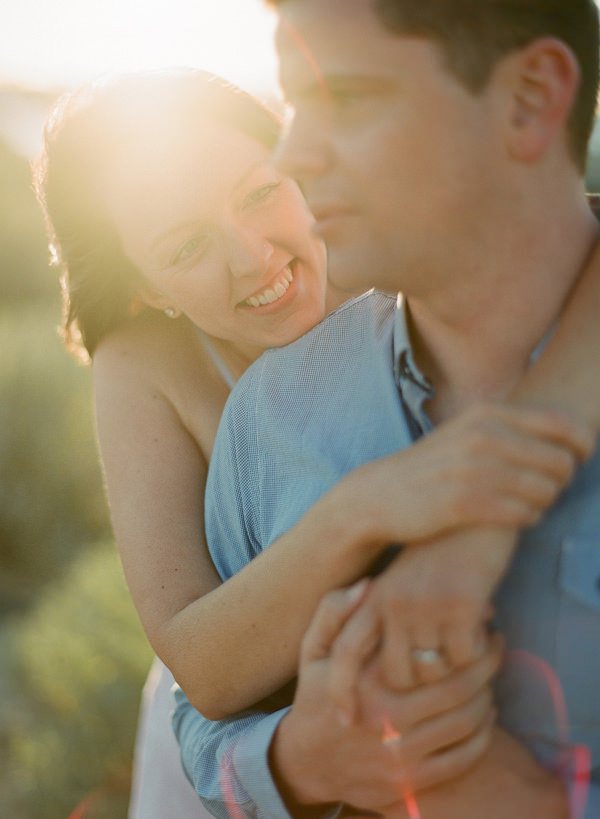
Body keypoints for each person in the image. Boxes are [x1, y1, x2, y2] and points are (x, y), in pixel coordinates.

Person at [36, 68, 553, 816]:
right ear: (144, 285)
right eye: (186, 248)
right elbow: (204, 664)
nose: (253, 257)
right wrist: (361, 510)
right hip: (245, 730)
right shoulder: (145, 364)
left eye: (259, 191)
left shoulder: (404, 253)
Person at [172, 0, 600, 817]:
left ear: (531, 98)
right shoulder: (270, 411)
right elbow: (200, 727)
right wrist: (301, 761)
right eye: (293, 103)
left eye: (351, 97)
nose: (293, 153)